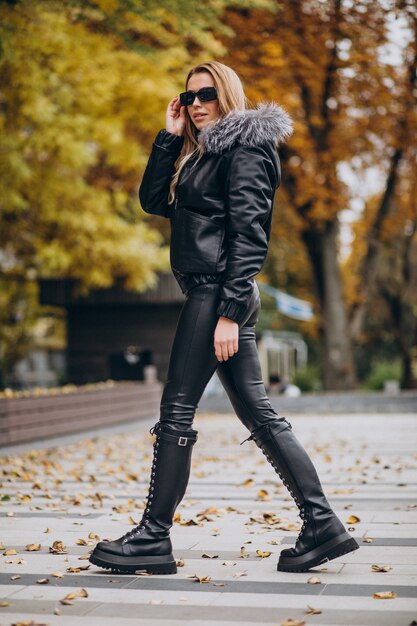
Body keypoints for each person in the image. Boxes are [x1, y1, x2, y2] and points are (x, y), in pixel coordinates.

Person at [89, 61, 359, 575]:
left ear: (227, 94)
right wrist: (169, 140)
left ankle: (153, 536)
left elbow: (251, 233)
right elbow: (153, 202)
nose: (196, 104)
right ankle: (323, 525)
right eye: (187, 96)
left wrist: (230, 312)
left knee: (176, 412)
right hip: (215, 292)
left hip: (218, 294)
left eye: (206, 94)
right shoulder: (202, 155)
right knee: (258, 414)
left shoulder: (247, 150)